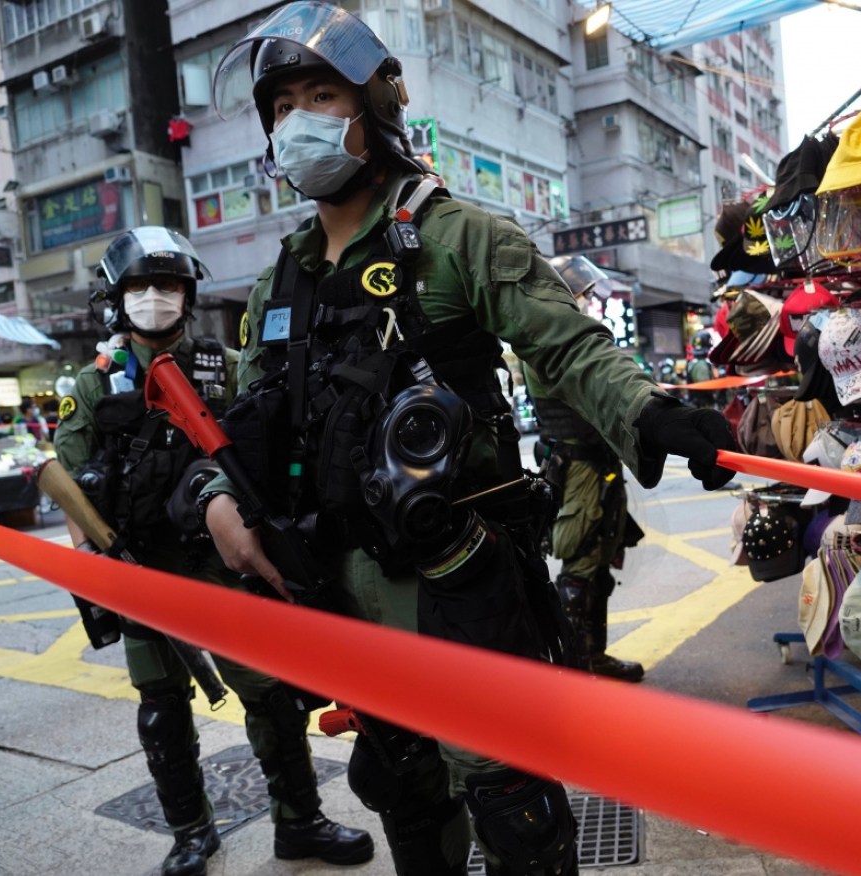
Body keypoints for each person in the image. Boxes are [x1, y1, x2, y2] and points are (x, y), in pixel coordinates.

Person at [201, 5, 736, 873]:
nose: (299, 119)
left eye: (321, 94)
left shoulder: (456, 237)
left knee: (514, 809)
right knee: (405, 797)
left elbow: (566, 346)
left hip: (460, 585)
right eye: (282, 104)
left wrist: (648, 413)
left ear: (372, 108)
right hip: (342, 591)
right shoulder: (280, 281)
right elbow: (247, 417)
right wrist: (220, 499)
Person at [52, 227, 371, 876]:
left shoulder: (226, 367)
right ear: (115, 298)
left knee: (272, 699)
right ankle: (190, 834)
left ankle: (299, 822)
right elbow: (70, 480)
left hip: (223, 565)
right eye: (139, 286)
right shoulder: (94, 386)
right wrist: (95, 567)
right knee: (162, 713)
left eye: (167, 284)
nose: (155, 298)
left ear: (189, 294)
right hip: (139, 570)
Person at [526, 256, 645, 683]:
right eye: (584, 295)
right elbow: (592, 387)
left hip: (597, 464)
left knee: (597, 567)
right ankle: (575, 673)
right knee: (578, 570)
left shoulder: (561, 335)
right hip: (578, 468)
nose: (590, 303)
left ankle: (593, 658)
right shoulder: (548, 338)